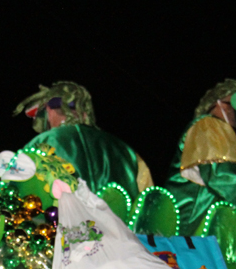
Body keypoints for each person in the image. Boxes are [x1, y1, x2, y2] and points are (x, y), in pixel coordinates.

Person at [13, 81, 153, 202]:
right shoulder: (127, 152)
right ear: (85, 113)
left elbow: (17, 192)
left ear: (49, 111)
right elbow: (148, 203)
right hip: (118, 232)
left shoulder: (42, 143)